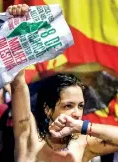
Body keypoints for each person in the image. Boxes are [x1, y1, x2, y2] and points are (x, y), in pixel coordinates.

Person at [8, 4, 118, 162]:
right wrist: (16, 26)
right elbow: (18, 82)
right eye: (68, 105)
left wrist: (82, 127)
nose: (76, 113)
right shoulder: (30, 141)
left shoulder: (83, 145)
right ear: (48, 109)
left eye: (80, 106)